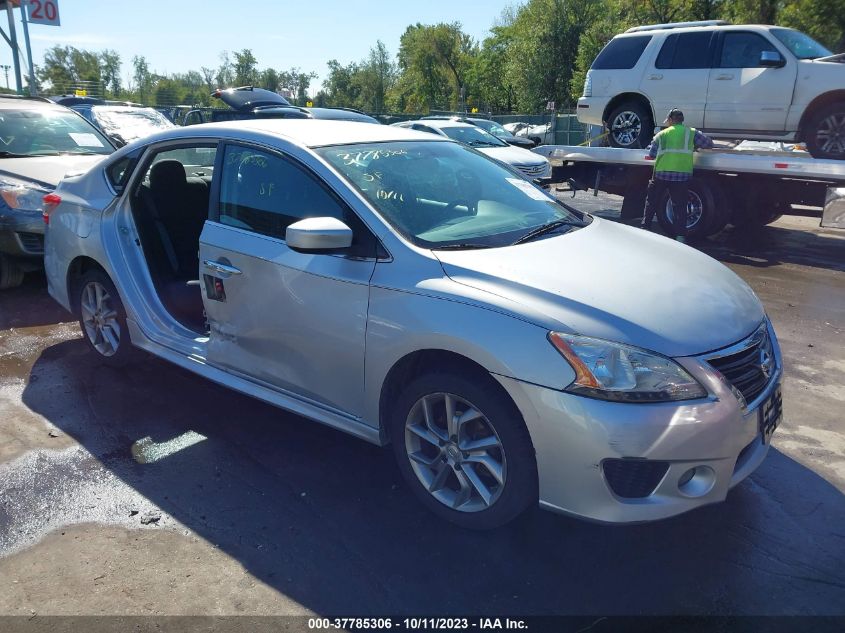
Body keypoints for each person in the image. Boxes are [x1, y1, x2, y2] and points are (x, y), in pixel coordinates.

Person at [641, 108, 713, 242]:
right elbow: (709, 144)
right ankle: (680, 236)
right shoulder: (691, 133)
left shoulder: (662, 134)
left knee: (652, 202)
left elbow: (651, 154)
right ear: (681, 120)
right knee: (680, 206)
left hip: (662, 174)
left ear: (670, 120)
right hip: (682, 176)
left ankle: (645, 228)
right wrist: (693, 146)